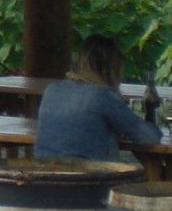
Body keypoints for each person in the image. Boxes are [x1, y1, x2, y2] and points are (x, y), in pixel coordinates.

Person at [34, 34, 163, 162]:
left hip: (47, 175)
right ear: (112, 68)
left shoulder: (52, 90)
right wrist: (150, 113)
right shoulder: (103, 96)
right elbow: (147, 137)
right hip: (91, 177)